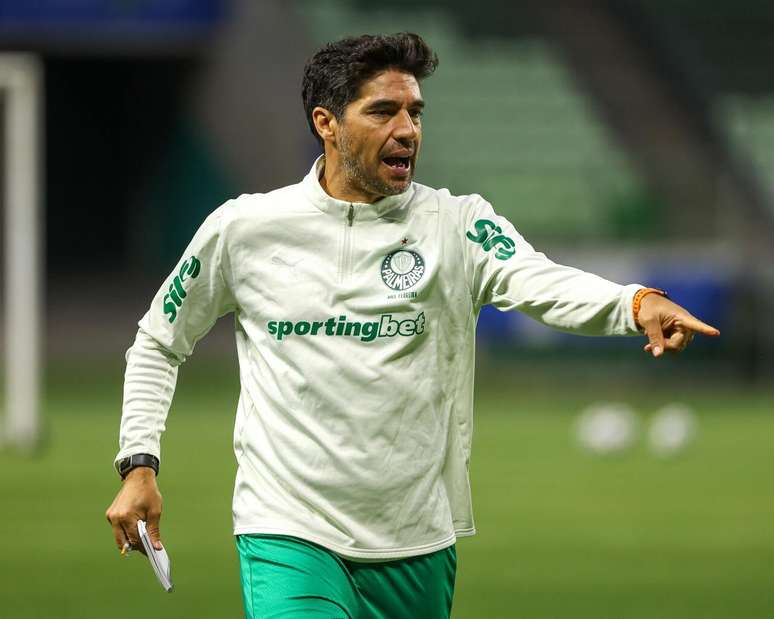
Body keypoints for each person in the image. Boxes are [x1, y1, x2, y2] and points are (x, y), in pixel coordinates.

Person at [105, 32, 719, 618]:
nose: (407, 130)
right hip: (286, 527)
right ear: (326, 124)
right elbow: (159, 340)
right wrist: (139, 465)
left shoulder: (456, 225)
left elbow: (540, 280)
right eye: (383, 112)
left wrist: (634, 304)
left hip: (415, 539)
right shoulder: (245, 229)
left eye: (415, 113)